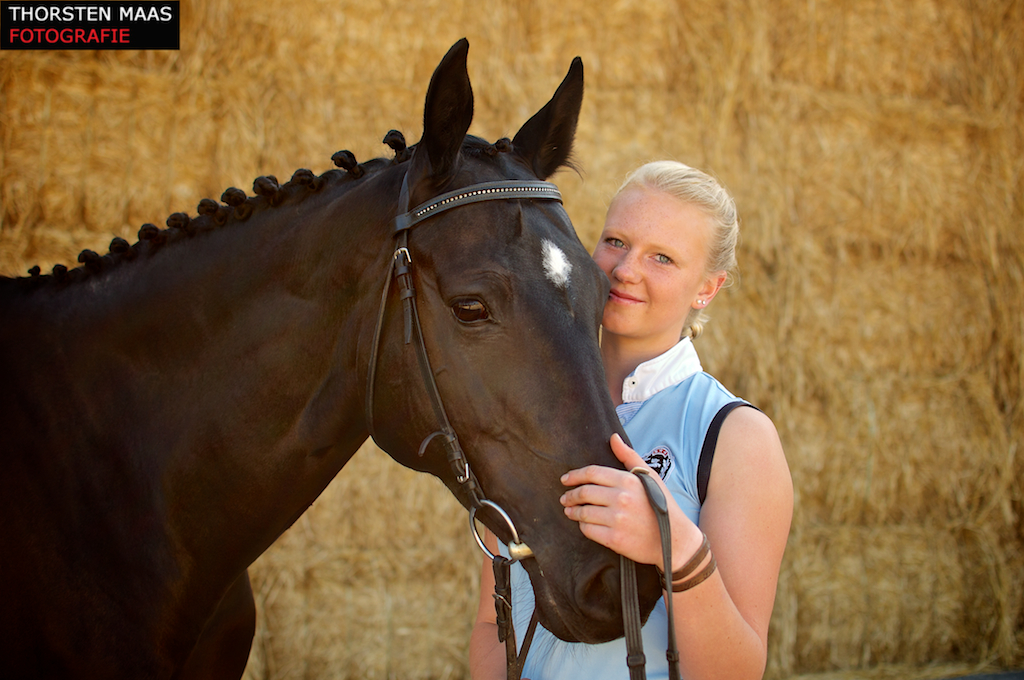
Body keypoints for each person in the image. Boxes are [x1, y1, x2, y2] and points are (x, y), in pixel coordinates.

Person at [468, 160, 793, 680]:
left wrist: (672, 544)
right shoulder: (523, 408)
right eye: (616, 241)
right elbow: (492, 623)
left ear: (707, 287)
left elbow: (737, 671)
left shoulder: (735, 437)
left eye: (662, 257)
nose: (625, 269)